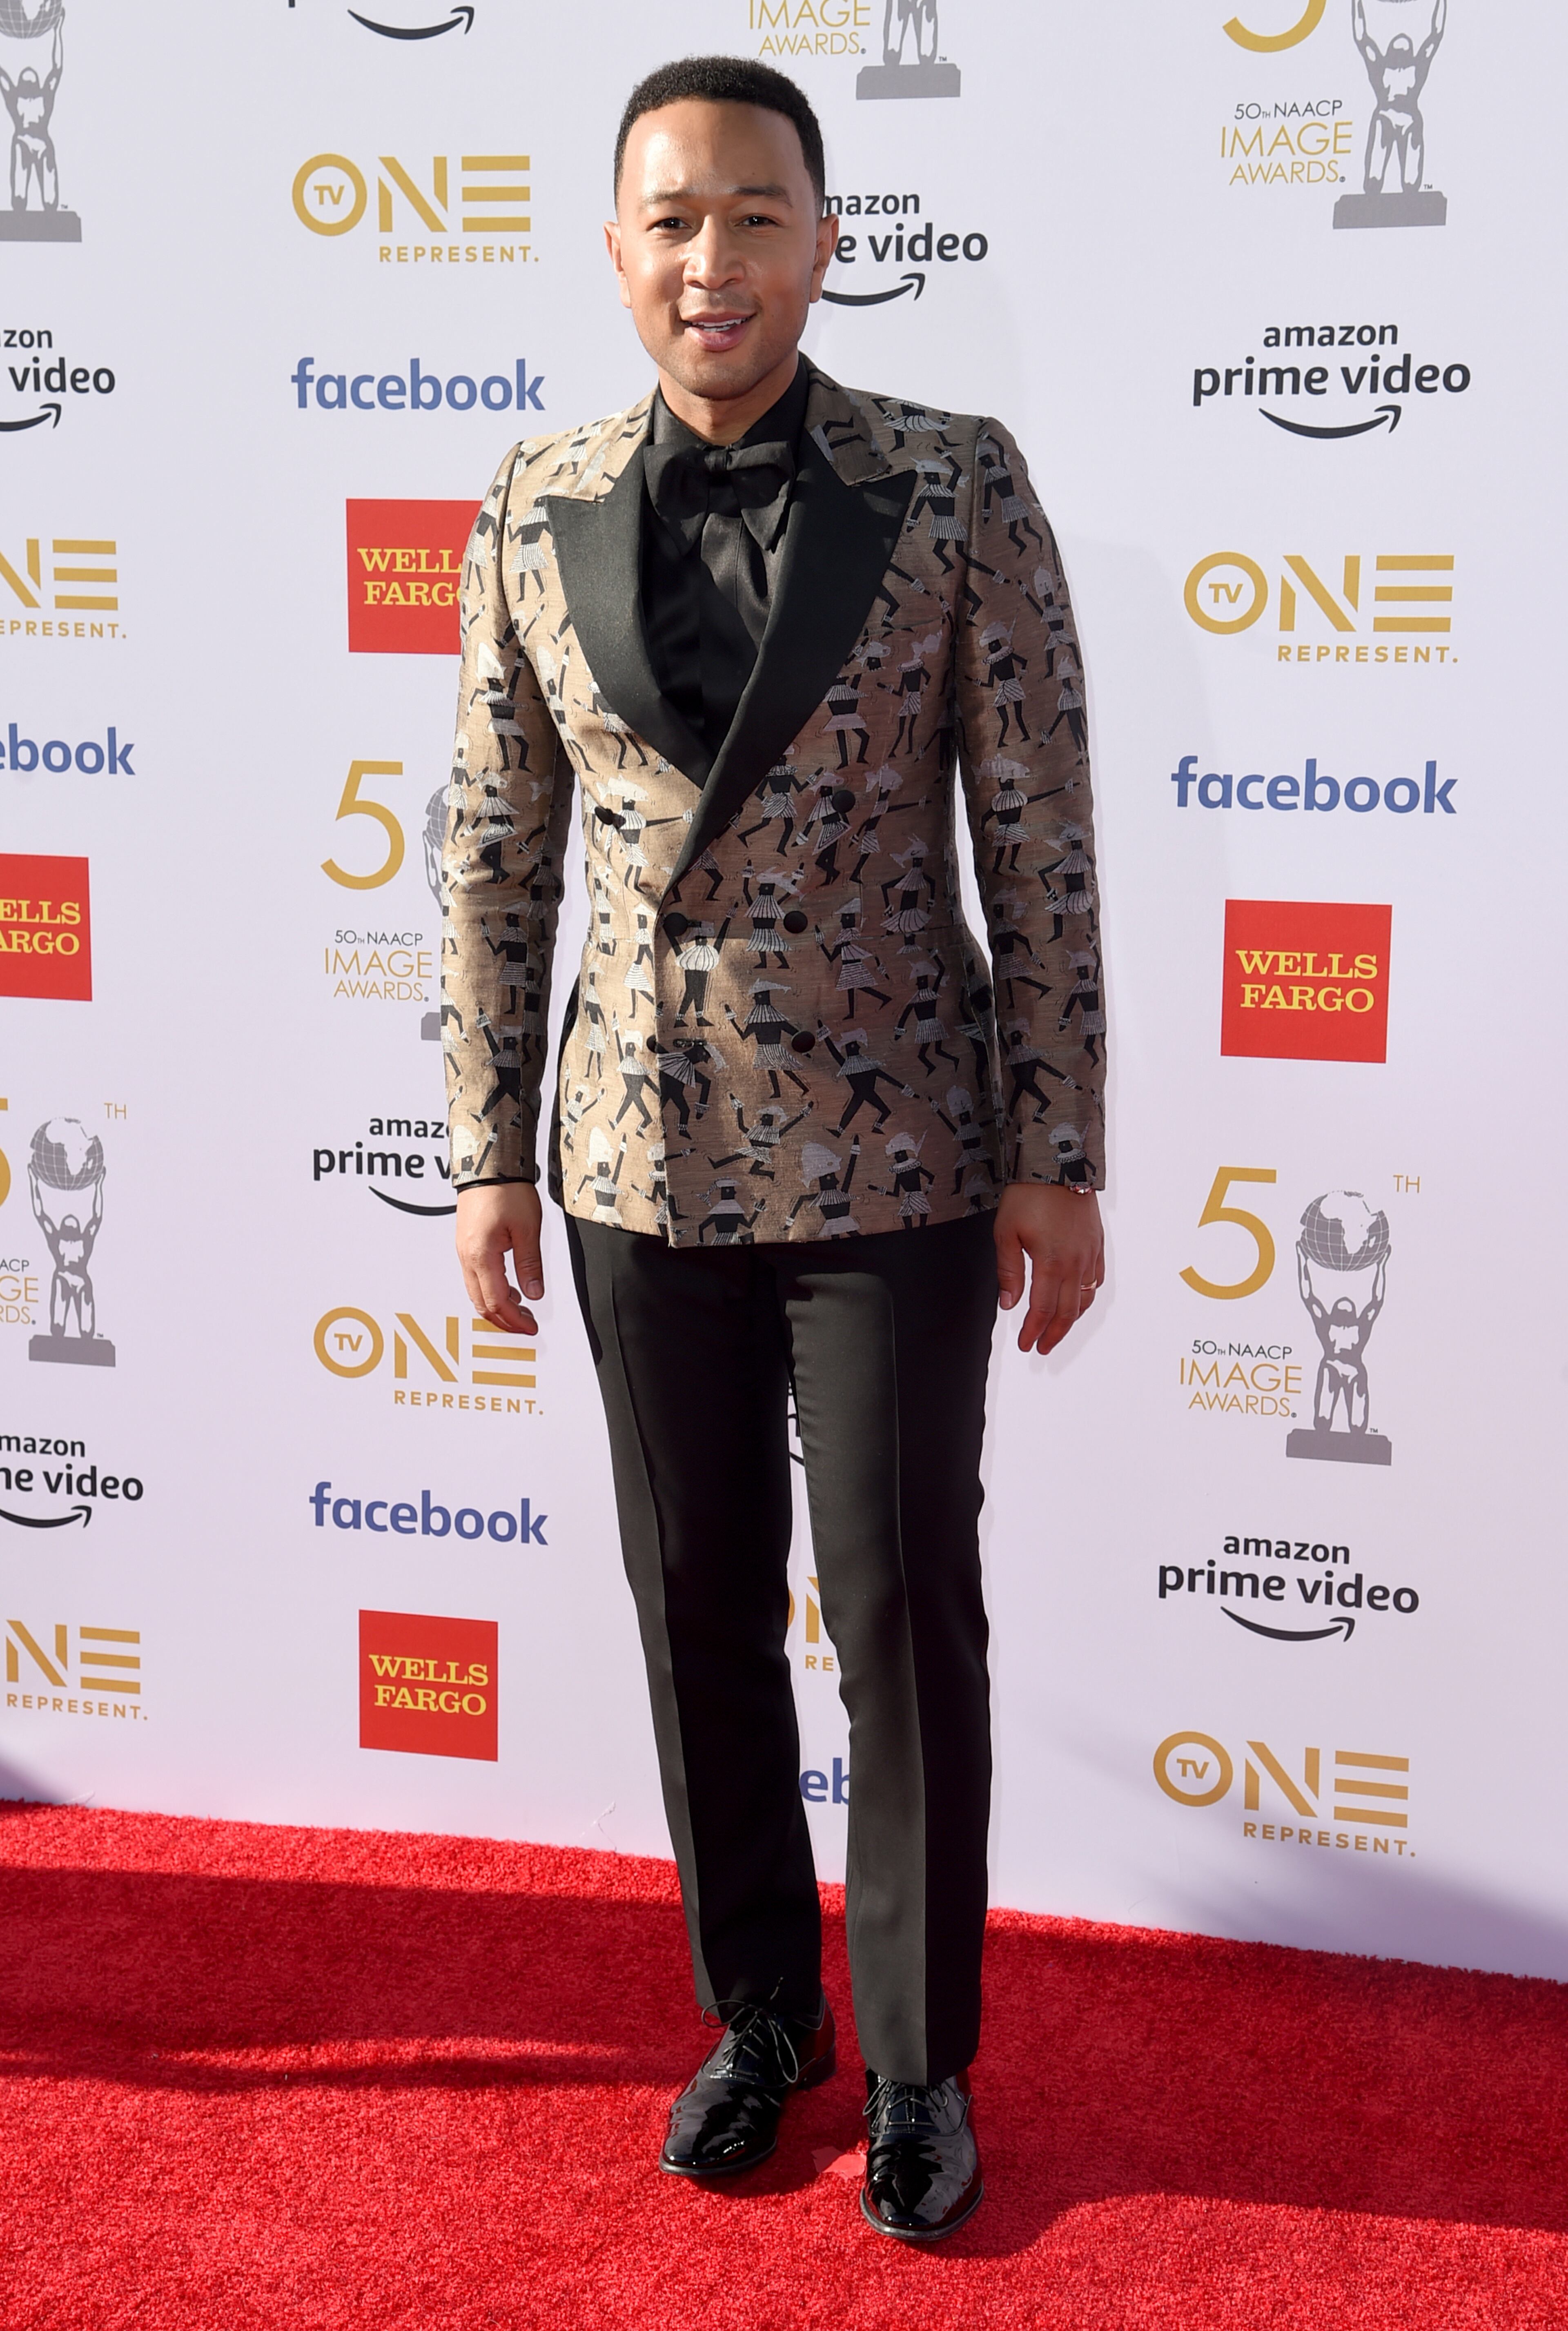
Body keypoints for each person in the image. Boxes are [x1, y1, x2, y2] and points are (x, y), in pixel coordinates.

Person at [443, 55, 1107, 2244]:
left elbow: (1038, 838)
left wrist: (1060, 1146)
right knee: (694, 1606)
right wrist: (485, 1144)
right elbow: (493, 854)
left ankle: (915, 2060)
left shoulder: (952, 482)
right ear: (616, 248)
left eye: (753, 215)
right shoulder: (532, 496)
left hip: (897, 1159)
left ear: (826, 240)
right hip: (635, 1167)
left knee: (902, 1613)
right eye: (670, 219)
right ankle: (760, 2015)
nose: (709, 259)